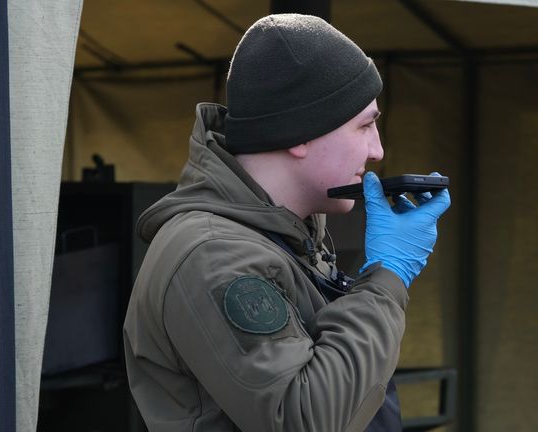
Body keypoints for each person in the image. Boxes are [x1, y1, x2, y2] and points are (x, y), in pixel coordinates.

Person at [123, 13, 450, 432]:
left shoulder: (289, 234)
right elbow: (304, 418)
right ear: (301, 132)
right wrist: (388, 276)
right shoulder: (213, 255)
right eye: (365, 126)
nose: (378, 150)